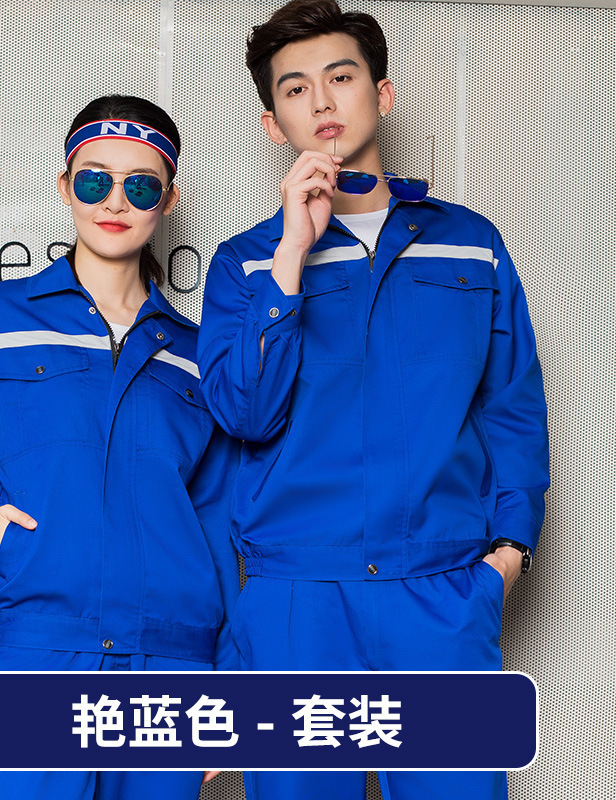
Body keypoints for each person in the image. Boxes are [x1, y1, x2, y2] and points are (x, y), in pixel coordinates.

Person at [197, 2, 549, 799]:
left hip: (440, 590)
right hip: (298, 600)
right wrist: (293, 250)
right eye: (295, 89)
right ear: (272, 123)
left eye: (341, 77)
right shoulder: (246, 264)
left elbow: (512, 405)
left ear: (382, 95)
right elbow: (244, 414)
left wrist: (508, 554)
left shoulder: (471, 243)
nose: (322, 101)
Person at [0, 94, 238, 800]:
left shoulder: (196, 353)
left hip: (172, 657)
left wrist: (227, 673)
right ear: (64, 187)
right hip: (40, 642)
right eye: (94, 180)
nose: (115, 201)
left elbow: (216, 517)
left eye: (140, 185)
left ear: (168, 200)